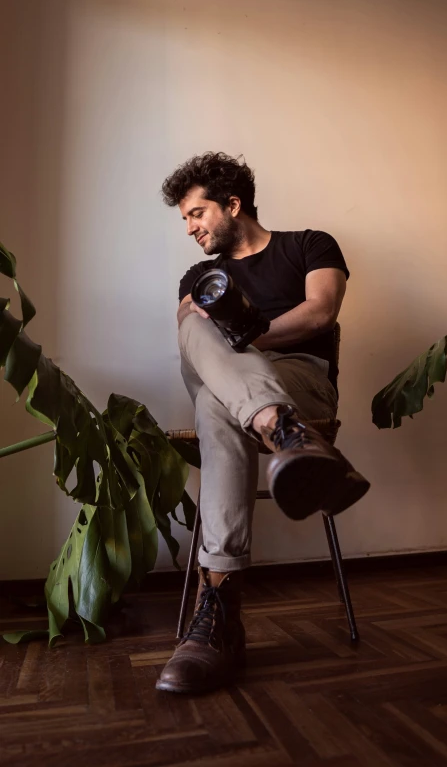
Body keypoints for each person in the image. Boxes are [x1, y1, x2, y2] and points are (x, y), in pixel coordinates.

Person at [156, 152, 370, 694]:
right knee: (193, 324)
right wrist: (229, 346)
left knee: (214, 406)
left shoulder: (311, 244)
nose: (190, 228)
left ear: (233, 205)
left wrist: (247, 339)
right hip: (243, 386)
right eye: (184, 219)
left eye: (196, 213)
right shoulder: (201, 274)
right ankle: (285, 433)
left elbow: (321, 312)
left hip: (302, 378)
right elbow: (194, 336)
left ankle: (218, 607)